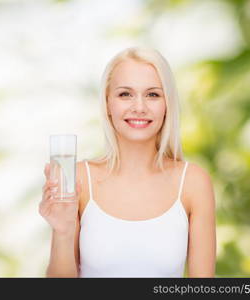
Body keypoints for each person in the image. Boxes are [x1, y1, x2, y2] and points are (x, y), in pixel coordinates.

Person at [39, 46, 216, 278]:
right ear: (107, 104)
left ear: (167, 105)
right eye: (125, 94)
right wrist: (62, 231)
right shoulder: (79, 179)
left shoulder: (193, 183)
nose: (139, 107)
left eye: (153, 94)